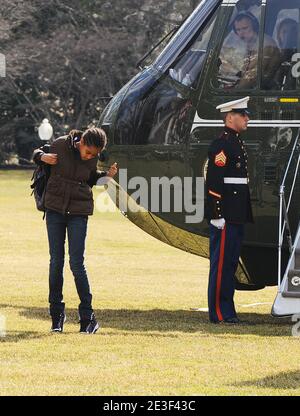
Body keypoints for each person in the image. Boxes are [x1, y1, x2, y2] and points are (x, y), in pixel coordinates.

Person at [32, 127, 118, 334]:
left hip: (79, 212)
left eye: (94, 155)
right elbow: (37, 154)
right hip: (54, 210)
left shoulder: (91, 157)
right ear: (82, 142)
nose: (90, 157)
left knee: (77, 263)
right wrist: (42, 156)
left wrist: (106, 176)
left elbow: (89, 178)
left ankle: (87, 318)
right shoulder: (60, 144)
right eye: (88, 152)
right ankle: (56, 317)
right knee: (56, 262)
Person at [205, 97, 253, 324]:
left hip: (236, 214)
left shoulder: (236, 142)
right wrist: (217, 214)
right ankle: (219, 313)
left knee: (230, 263)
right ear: (230, 117)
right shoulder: (222, 144)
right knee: (222, 264)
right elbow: (214, 182)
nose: (247, 118)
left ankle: (228, 310)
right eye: (243, 115)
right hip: (224, 215)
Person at [219, 12, 281, 89]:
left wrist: (233, 91)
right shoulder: (250, 45)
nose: (241, 33)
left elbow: (251, 79)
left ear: (254, 27)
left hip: (266, 91)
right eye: (238, 30)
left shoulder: (265, 44)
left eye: (245, 28)